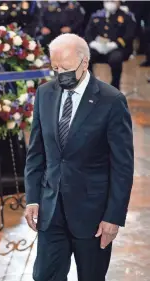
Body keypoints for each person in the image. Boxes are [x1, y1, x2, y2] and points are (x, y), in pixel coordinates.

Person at [24, 33, 134, 281]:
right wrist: (32, 198)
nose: (59, 73)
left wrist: (113, 217)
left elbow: (122, 167)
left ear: (84, 63)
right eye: (54, 67)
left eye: (65, 67)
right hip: (51, 211)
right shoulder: (45, 94)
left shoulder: (111, 101)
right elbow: (36, 153)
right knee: (44, 276)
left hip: (92, 217)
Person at [85, 0, 136, 89]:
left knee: (115, 58)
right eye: (107, 0)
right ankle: (90, 83)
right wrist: (93, 43)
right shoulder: (96, 15)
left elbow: (130, 34)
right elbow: (88, 33)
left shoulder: (126, 16)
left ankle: (115, 86)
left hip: (117, 48)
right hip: (98, 46)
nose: (110, 3)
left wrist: (115, 44)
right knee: (85, 56)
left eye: (113, 1)